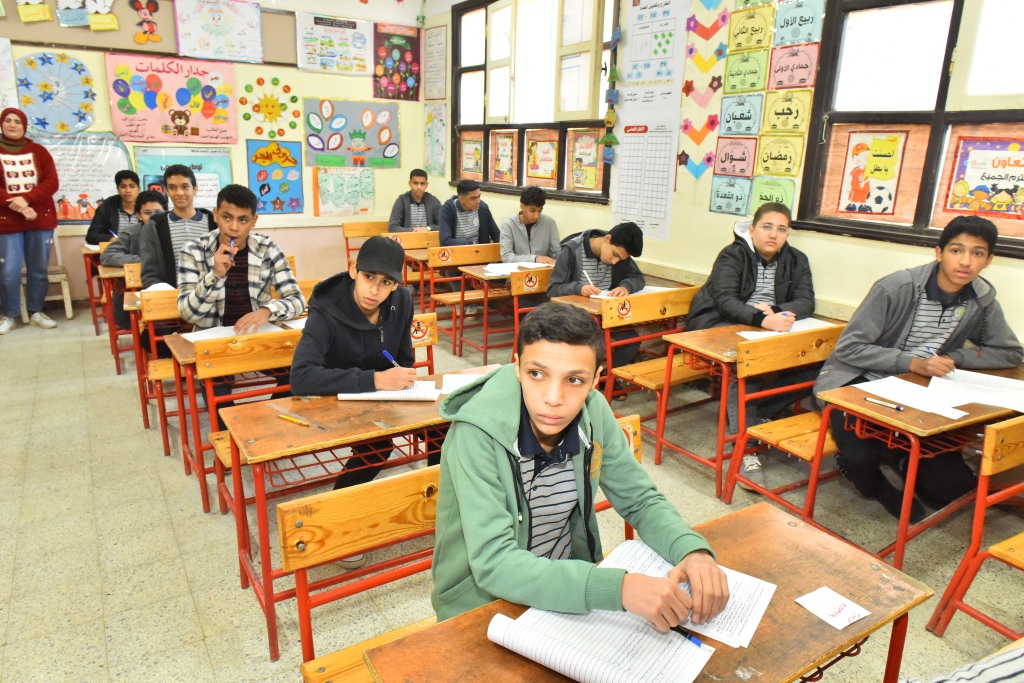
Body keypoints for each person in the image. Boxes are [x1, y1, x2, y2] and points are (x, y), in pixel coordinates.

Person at [431, 302, 730, 626]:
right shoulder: (476, 433)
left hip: (565, 589)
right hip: (483, 605)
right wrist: (618, 588)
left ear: (595, 379)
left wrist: (691, 551)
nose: (553, 398)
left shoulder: (594, 412)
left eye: (574, 379)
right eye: (536, 374)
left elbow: (640, 499)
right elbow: (494, 563)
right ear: (516, 366)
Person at [814, 216, 1022, 521]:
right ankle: (875, 483)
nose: (966, 261)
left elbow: (1010, 352)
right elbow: (849, 348)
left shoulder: (981, 298)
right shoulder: (896, 287)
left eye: (977, 253)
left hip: (918, 390)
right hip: (857, 382)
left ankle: (902, 460)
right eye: (956, 250)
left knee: (950, 489)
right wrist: (911, 362)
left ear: (988, 260)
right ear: (939, 253)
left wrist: (955, 357)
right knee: (861, 456)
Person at [291, 236, 433, 531]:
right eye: (369, 277)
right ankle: (335, 519)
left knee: (442, 427)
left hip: (379, 395)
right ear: (353, 268)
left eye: (386, 282)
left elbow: (403, 358)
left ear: (396, 285)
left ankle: (434, 504)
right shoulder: (325, 309)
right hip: (334, 398)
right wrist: (376, 379)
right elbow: (301, 377)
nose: (375, 290)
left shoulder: (401, 301)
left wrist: (402, 376)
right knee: (378, 447)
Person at [685, 203, 816, 489]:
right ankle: (745, 448)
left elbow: (807, 301)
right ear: (753, 229)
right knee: (746, 367)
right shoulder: (732, 255)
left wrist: (775, 310)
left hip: (762, 326)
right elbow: (725, 300)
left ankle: (757, 413)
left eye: (781, 229)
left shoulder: (797, 259)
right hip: (716, 323)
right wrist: (762, 319)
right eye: (767, 227)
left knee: (818, 364)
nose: (773, 234)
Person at [177, 184, 305, 332]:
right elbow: (188, 315)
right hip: (211, 339)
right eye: (226, 217)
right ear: (215, 215)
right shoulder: (193, 251)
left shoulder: (267, 248)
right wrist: (215, 276)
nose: (234, 227)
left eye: (243, 220)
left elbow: (297, 300)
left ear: (253, 221)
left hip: (256, 336)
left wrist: (267, 311)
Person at [547, 222, 646, 371]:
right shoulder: (572, 250)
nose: (615, 262)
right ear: (607, 238)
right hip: (573, 317)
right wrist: (578, 288)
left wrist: (626, 286)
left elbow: (638, 278)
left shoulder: (619, 252)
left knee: (631, 342)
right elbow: (553, 289)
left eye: (620, 260)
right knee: (587, 346)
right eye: (615, 255)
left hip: (605, 315)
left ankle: (606, 378)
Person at [0, 107, 60, 334]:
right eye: (8, 120)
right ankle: (10, 314)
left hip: (39, 219)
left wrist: (26, 199)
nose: (12, 125)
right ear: (1, 124)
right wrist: (17, 205)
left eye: (18, 121)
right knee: (9, 272)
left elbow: (51, 182)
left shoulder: (39, 151)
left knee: (38, 270)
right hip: (7, 221)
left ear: (24, 126)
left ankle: (36, 311)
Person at [98, 189, 167, 330]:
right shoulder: (131, 233)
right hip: (138, 291)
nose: (153, 217)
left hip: (164, 289)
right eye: (147, 213)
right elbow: (107, 255)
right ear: (139, 215)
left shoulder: (171, 232)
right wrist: (143, 260)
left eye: (158, 212)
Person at [138, 164, 215, 288]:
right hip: (173, 295)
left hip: (212, 294)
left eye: (185, 187)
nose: (179, 193)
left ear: (195, 189)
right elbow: (150, 275)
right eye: (172, 187)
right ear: (167, 191)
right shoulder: (154, 227)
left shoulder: (214, 223)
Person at [500, 186, 560, 264]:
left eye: (540, 211)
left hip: (543, 270)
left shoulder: (549, 223)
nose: (536, 216)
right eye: (532, 211)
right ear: (522, 207)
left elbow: (557, 253)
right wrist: (535, 259)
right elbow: (507, 257)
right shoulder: (509, 225)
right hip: (517, 270)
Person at [85, 170, 141, 245]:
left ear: (139, 189)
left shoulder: (147, 208)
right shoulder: (107, 207)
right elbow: (91, 236)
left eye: (132, 186)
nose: (128, 190)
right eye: (123, 187)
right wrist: (110, 238)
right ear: (118, 189)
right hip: (115, 250)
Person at [438, 179, 499, 247]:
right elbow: (445, 241)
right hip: (458, 251)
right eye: (473, 198)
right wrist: (470, 244)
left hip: (480, 251)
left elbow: (497, 235)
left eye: (479, 196)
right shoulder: (448, 210)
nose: (478, 201)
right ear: (461, 199)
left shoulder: (483, 208)